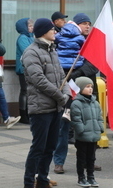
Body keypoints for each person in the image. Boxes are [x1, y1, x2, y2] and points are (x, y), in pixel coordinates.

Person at [22, 18, 71, 188]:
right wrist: (60, 96)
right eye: (52, 30)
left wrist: (66, 93)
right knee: (38, 148)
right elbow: (39, 81)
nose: (55, 32)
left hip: (55, 107)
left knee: (50, 147)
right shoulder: (31, 52)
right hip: (41, 109)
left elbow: (61, 76)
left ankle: (42, 180)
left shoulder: (52, 50)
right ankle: (29, 182)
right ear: (43, 32)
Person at [53, 13, 87, 174]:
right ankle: (58, 162)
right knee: (63, 127)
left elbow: (93, 67)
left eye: (89, 23)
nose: (88, 26)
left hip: (85, 91)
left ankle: (88, 160)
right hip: (69, 90)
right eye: (85, 23)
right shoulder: (61, 42)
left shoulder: (87, 43)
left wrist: (76, 74)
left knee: (86, 127)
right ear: (77, 25)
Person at [70, 77, 103, 187]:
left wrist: (100, 127)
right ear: (80, 88)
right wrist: (81, 130)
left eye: (91, 87)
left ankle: (91, 177)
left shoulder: (95, 102)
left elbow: (99, 117)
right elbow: (76, 119)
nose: (90, 89)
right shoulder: (76, 103)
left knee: (91, 157)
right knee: (81, 158)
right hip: (82, 136)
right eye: (87, 87)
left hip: (93, 135)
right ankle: (81, 178)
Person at [15, 18, 35, 124]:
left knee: (29, 91)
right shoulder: (22, 38)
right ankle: (23, 114)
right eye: (30, 26)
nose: (32, 28)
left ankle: (29, 113)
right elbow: (28, 51)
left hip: (31, 67)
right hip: (23, 68)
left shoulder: (31, 37)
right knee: (25, 91)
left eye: (32, 26)